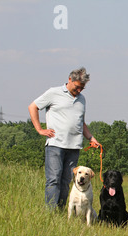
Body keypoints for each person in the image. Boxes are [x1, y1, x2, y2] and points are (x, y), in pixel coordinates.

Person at [28, 67, 99, 211]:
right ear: (70, 80)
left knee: (66, 181)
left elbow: (81, 122)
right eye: (77, 87)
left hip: (74, 146)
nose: (79, 90)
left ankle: (60, 211)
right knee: (54, 179)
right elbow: (33, 107)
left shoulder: (82, 99)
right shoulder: (54, 92)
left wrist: (91, 137)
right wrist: (40, 130)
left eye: (82, 88)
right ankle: (51, 212)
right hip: (55, 144)